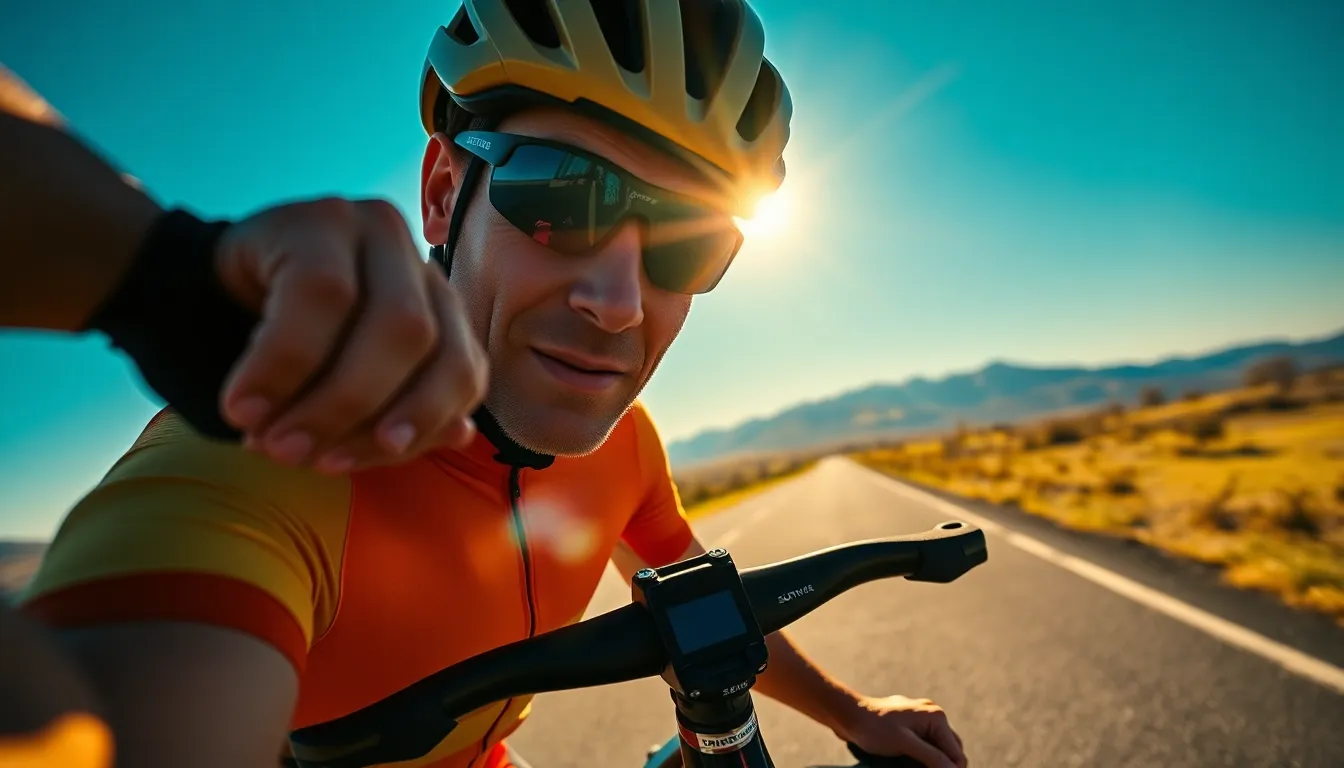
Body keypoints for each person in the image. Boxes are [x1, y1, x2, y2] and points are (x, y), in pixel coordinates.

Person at [15, 2, 970, 767]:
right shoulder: (263, 459)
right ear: (442, 194)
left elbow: (689, 588)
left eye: (688, 242)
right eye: (559, 196)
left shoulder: (627, 443)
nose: (619, 303)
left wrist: (854, 710)